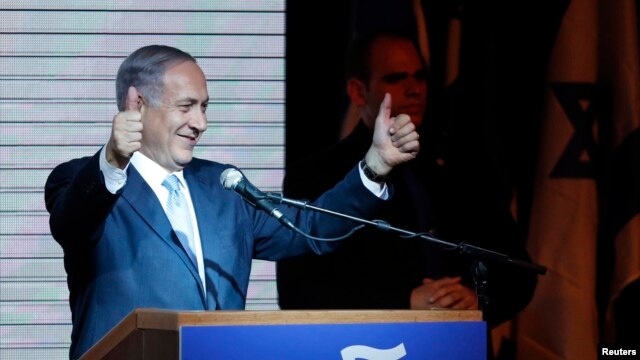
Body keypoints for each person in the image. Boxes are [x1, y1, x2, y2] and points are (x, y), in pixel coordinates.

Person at [44, 45, 420, 359]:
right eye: (187, 106)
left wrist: (374, 167)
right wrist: (111, 160)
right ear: (138, 105)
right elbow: (72, 222)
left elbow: (310, 229)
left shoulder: (223, 186)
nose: (200, 123)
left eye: (204, 107)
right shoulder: (82, 180)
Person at [276, 30, 536, 330]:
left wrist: (477, 300)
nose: (415, 89)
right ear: (359, 92)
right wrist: (406, 301)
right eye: (396, 78)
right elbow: (299, 292)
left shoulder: (465, 168)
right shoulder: (315, 175)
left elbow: (521, 270)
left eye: (420, 77)